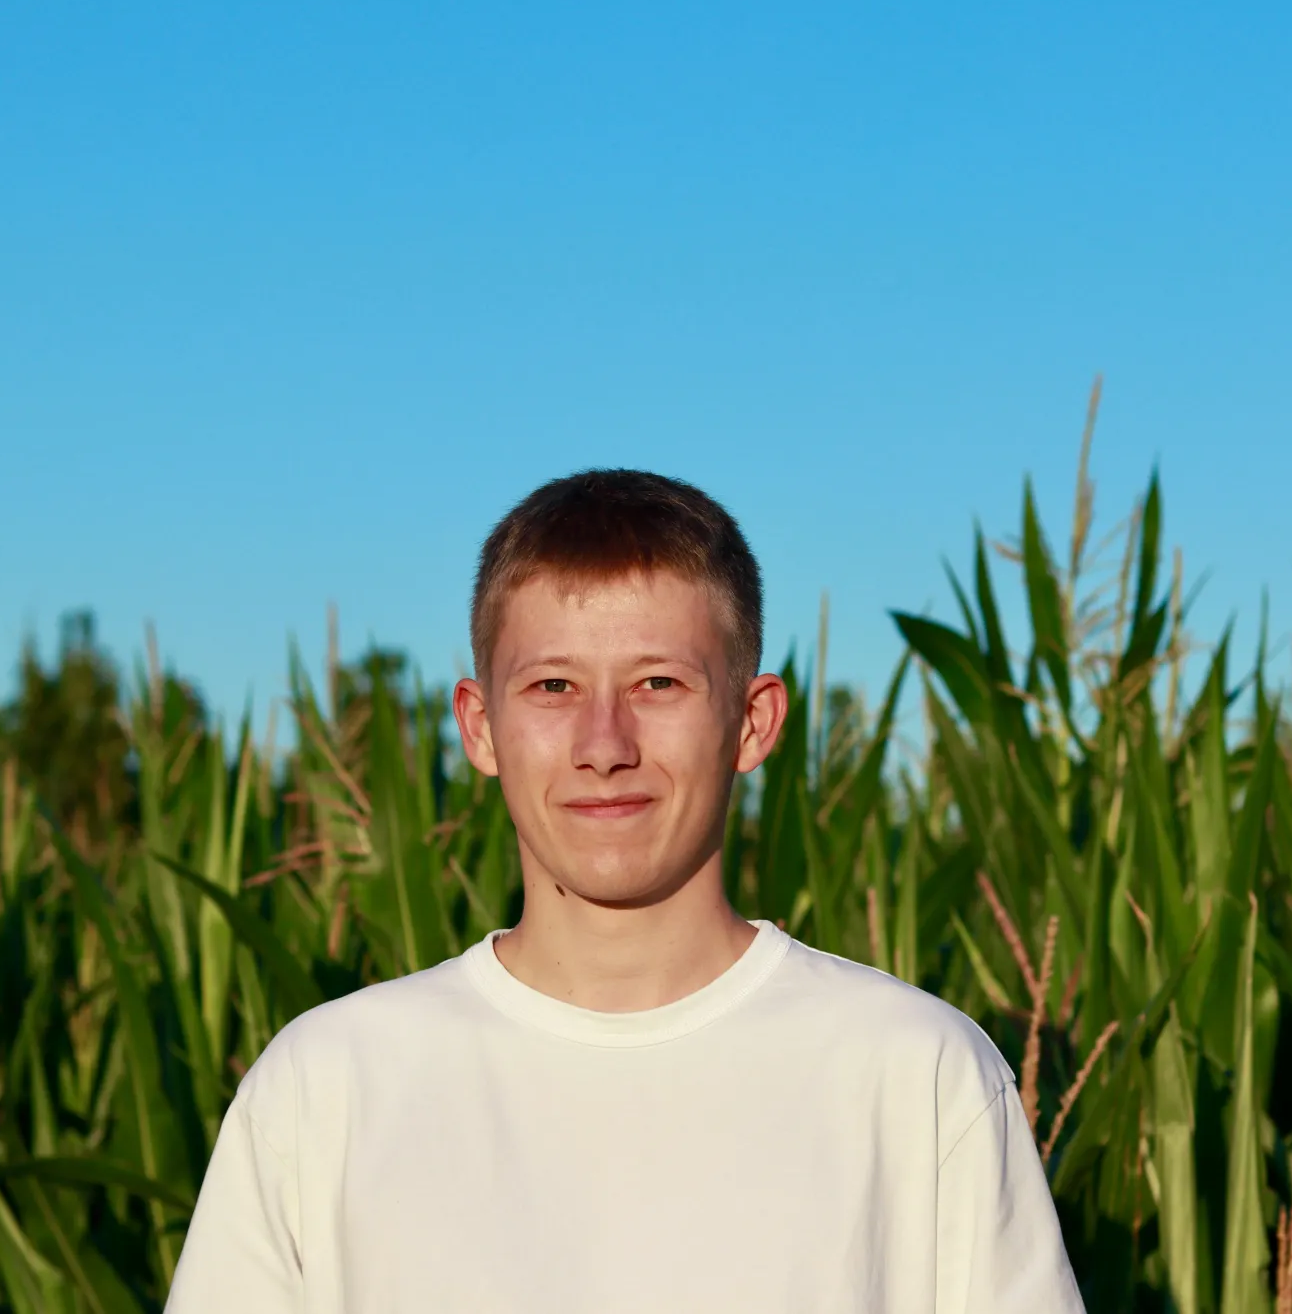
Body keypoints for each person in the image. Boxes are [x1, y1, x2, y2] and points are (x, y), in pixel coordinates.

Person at [165, 469, 1085, 1313]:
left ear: (753, 721)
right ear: (480, 727)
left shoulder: (916, 1076)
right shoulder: (326, 1090)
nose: (605, 744)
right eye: (554, 684)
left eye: (658, 681)